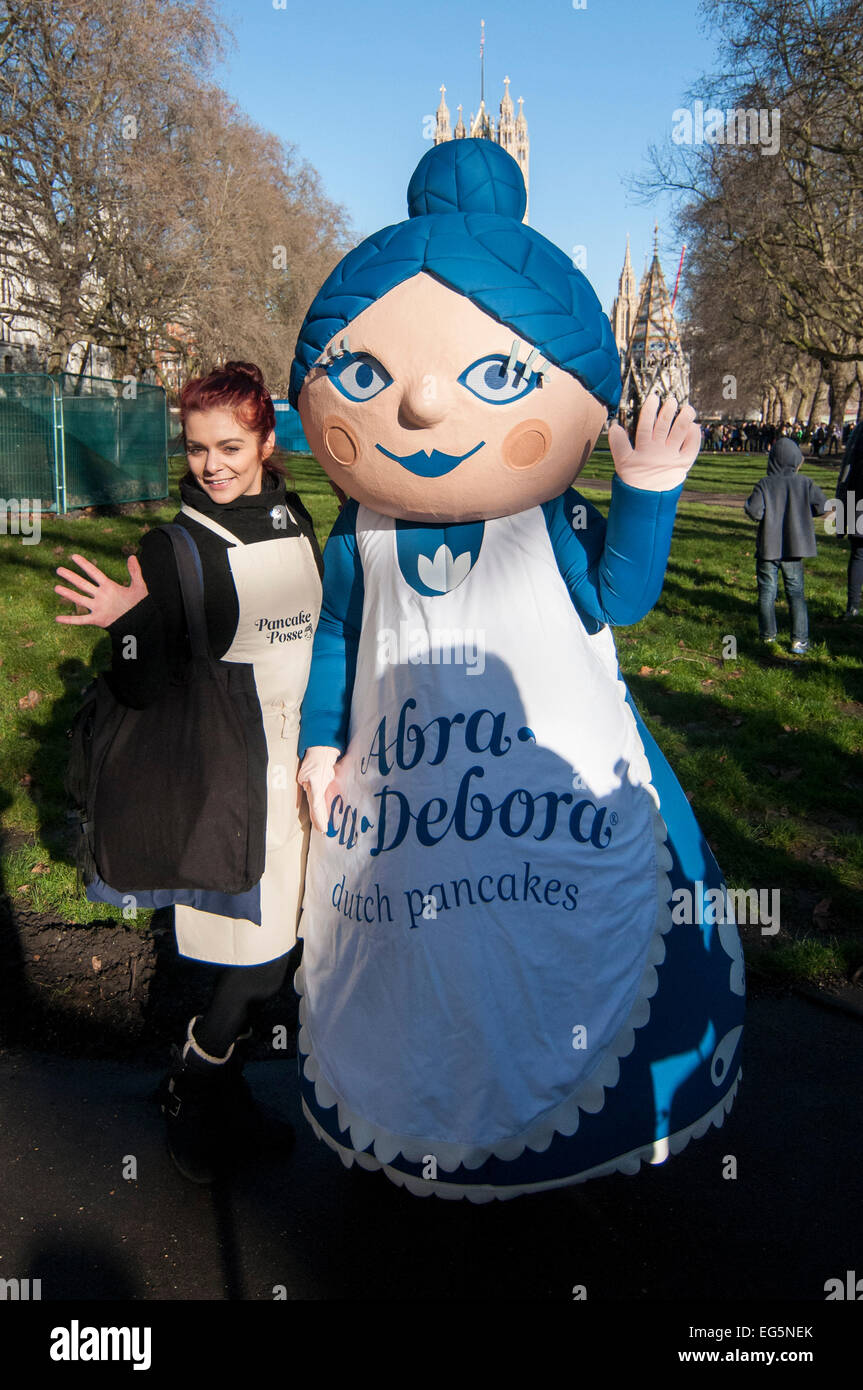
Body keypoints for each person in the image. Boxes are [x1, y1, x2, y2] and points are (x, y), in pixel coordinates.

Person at [290, 138, 745, 1201]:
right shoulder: (355, 530)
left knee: (553, 959)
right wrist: (318, 738)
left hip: (553, 815)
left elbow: (619, 596)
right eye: (364, 375)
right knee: (413, 969)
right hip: (398, 813)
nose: (424, 409)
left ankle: (574, 1153)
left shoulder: (552, 524)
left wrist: (647, 492)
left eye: (497, 374)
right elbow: (334, 639)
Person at [54, 361, 324, 1183]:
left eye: (231, 446)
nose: (211, 464)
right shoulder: (172, 546)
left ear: (266, 441)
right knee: (260, 956)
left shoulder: (295, 515)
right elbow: (142, 688)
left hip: (308, 759)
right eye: (198, 447)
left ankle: (221, 1089)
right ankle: (196, 1084)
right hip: (234, 771)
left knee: (293, 946)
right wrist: (128, 626)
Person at [743, 435, 827, 653]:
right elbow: (822, 506)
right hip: (794, 548)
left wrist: (747, 504)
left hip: (768, 548)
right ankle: (799, 640)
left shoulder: (765, 484)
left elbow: (755, 512)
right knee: (796, 593)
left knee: (767, 592)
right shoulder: (805, 483)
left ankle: (767, 636)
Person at [836, 419, 863, 618]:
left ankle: (853, 606)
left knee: (858, 554)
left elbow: (846, 470)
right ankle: (852, 606)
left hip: (857, 497)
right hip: (856, 496)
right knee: (858, 554)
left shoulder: (859, 430)